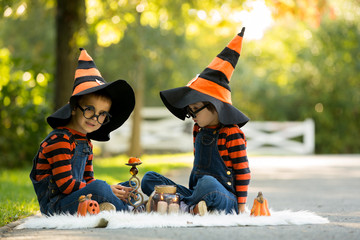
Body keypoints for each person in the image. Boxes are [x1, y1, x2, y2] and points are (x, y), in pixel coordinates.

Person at [141, 27, 250, 215]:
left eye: (195, 110)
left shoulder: (231, 133)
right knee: (149, 179)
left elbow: (243, 172)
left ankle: (176, 205)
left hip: (224, 197)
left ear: (213, 105)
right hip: (196, 192)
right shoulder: (198, 130)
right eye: (190, 112)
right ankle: (189, 206)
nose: (193, 116)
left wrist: (240, 207)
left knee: (208, 184)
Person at [30, 48, 136, 216]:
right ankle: (131, 210)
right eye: (89, 109)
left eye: (102, 114)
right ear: (73, 108)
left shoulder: (86, 143)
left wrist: (108, 189)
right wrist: (104, 189)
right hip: (57, 205)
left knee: (125, 187)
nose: (95, 118)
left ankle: (107, 207)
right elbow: (65, 185)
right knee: (101, 187)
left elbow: (88, 180)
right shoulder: (59, 140)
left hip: (79, 198)